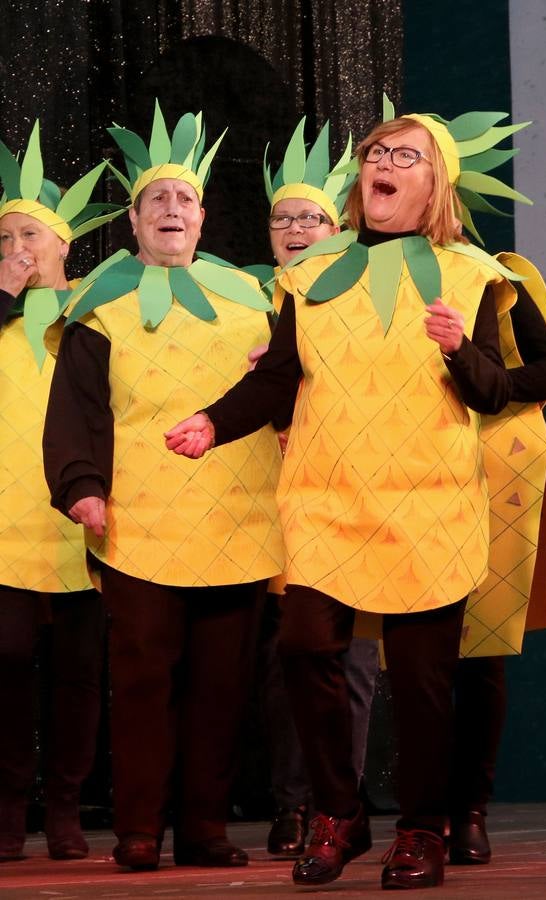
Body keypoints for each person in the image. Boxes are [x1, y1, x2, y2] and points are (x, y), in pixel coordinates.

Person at [165, 107, 532, 889]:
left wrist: (459, 350)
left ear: (434, 181)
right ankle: (340, 810)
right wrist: (213, 420)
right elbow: (277, 376)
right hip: (327, 493)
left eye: (404, 154)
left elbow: (515, 386)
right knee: (303, 647)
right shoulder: (310, 272)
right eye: (375, 151)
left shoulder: (473, 275)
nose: (382, 163)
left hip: (428, 498)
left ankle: (424, 827)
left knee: (424, 678)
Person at [43, 102, 284, 871]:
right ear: (136, 223)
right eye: (157, 202)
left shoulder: (255, 300)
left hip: (241, 515)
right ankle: (140, 829)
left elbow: (290, 388)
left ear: (204, 217)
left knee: (221, 687)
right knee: (144, 681)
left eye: (183, 200)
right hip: (140, 521)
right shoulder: (99, 306)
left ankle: (205, 829)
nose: (171, 211)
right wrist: (82, 486)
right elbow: (75, 411)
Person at [256, 118, 381, 857]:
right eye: (284, 217)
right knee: (286, 665)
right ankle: (291, 804)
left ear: (337, 227)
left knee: (353, 662)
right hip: (261, 506)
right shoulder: (241, 296)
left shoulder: (358, 293)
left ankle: (341, 805)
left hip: (351, 496)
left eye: (312, 217)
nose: (297, 228)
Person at [0, 123, 121, 862]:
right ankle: (9, 808)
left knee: (80, 672)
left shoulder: (91, 310)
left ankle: (69, 808)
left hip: (80, 514)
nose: (17, 246)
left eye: (29, 234)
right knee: (7, 660)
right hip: (4, 520)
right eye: (5, 234)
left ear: (63, 246)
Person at [449, 252, 546, 864]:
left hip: (489, 472)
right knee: (404, 654)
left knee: (480, 653)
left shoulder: (490, 276)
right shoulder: (363, 278)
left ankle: (468, 812)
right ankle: (410, 816)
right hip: (397, 475)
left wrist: (499, 388)